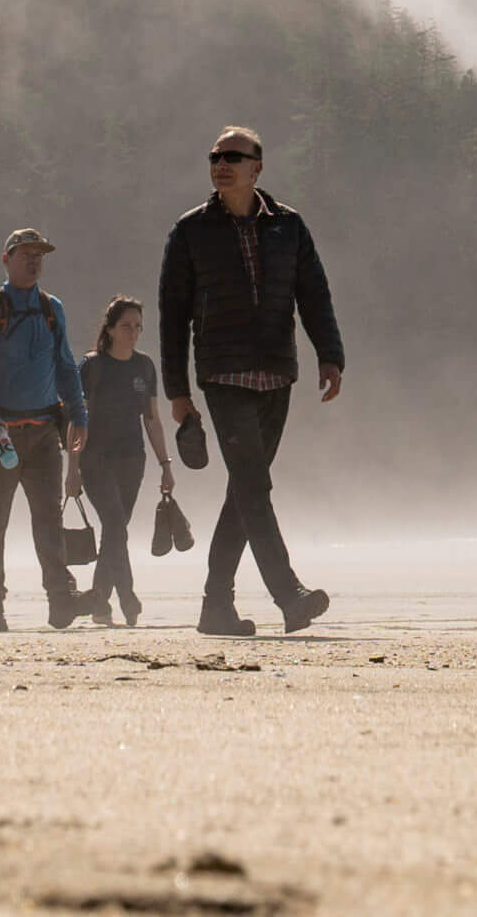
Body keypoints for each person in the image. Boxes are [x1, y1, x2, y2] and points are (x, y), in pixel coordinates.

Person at [158, 126, 346, 636]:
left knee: (244, 491)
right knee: (254, 486)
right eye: (215, 156)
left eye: (233, 157)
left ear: (256, 168)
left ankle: (215, 607)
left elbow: (314, 293)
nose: (221, 164)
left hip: (277, 373)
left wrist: (330, 354)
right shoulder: (191, 231)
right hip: (222, 375)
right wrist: (177, 390)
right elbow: (171, 315)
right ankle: (290, 595)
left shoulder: (289, 227)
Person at [0, 227, 91, 632]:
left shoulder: (53, 309)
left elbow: (66, 367)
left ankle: (59, 599)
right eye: (25, 254)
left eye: (39, 254)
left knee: (48, 518)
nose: (33, 260)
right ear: (6, 259)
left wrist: (80, 416)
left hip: (43, 433)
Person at [65, 294, 173, 626]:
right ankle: (126, 595)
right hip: (95, 459)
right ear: (110, 329)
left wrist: (165, 465)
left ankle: (99, 602)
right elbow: (76, 418)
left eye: (138, 327)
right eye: (126, 326)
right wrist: (72, 468)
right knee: (114, 526)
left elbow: (152, 419)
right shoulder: (92, 365)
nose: (133, 332)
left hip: (132, 460)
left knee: (115, 531)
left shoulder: (144, 366)